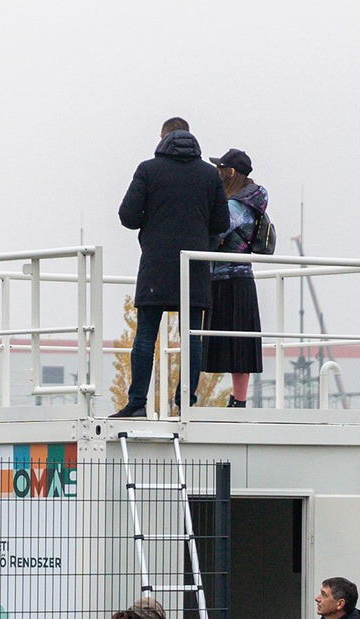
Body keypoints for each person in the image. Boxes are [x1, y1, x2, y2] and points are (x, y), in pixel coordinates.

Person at [113, 118, 230, 418]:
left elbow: (127, 216)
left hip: (155, 266)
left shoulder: (148, 170)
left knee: (145, 336)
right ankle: (185, 405)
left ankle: (137, 403)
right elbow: (222, 224)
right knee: (192, 338)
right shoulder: (208, 174)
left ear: (163, 137)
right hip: (193, 267)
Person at [204, 149, 268, 408]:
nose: (217, 173)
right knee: (241, 342)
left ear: (230, 172)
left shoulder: (234, 206)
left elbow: (214, 233)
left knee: (234, 342)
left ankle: (238, 402)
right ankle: (238, 401)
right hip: (242, 279)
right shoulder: (251, 203)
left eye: (220, 168)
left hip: (227, 278)